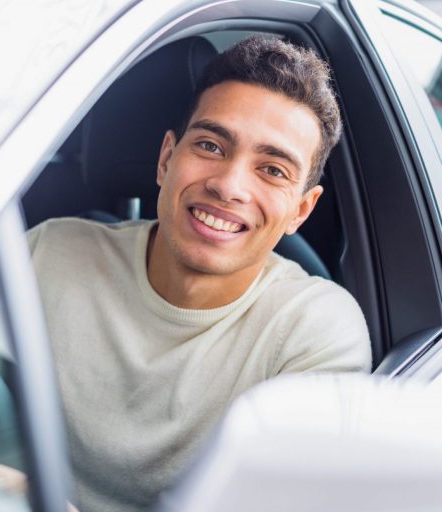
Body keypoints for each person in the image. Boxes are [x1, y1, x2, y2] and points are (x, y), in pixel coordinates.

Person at [27, 36, 372, 512]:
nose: (228, 185)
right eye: (211, 145)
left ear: (301, 211)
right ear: (167, 159)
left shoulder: (314, 332)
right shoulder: (50, 251)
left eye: (272, 170)